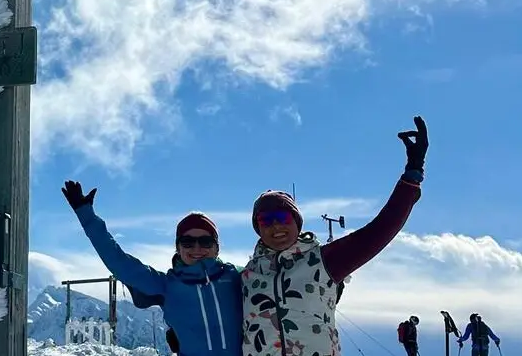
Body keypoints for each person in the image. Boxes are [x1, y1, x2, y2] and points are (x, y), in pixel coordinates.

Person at [240, 116, 430, 356]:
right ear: (257, 228)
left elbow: (380, 230)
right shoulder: (247, 275)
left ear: (297, 223)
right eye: (265, 220)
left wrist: (413, 173)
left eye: (283, 217)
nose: (276, 226)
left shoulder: (323, 260)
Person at [62, 180, 243, 356]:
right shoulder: (166, 286)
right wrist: (86, 216)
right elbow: (119, 262)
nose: (197, 248)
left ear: (217, 247)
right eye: (187, 242)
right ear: (178, 248)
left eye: (205, 241)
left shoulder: (238, 276)